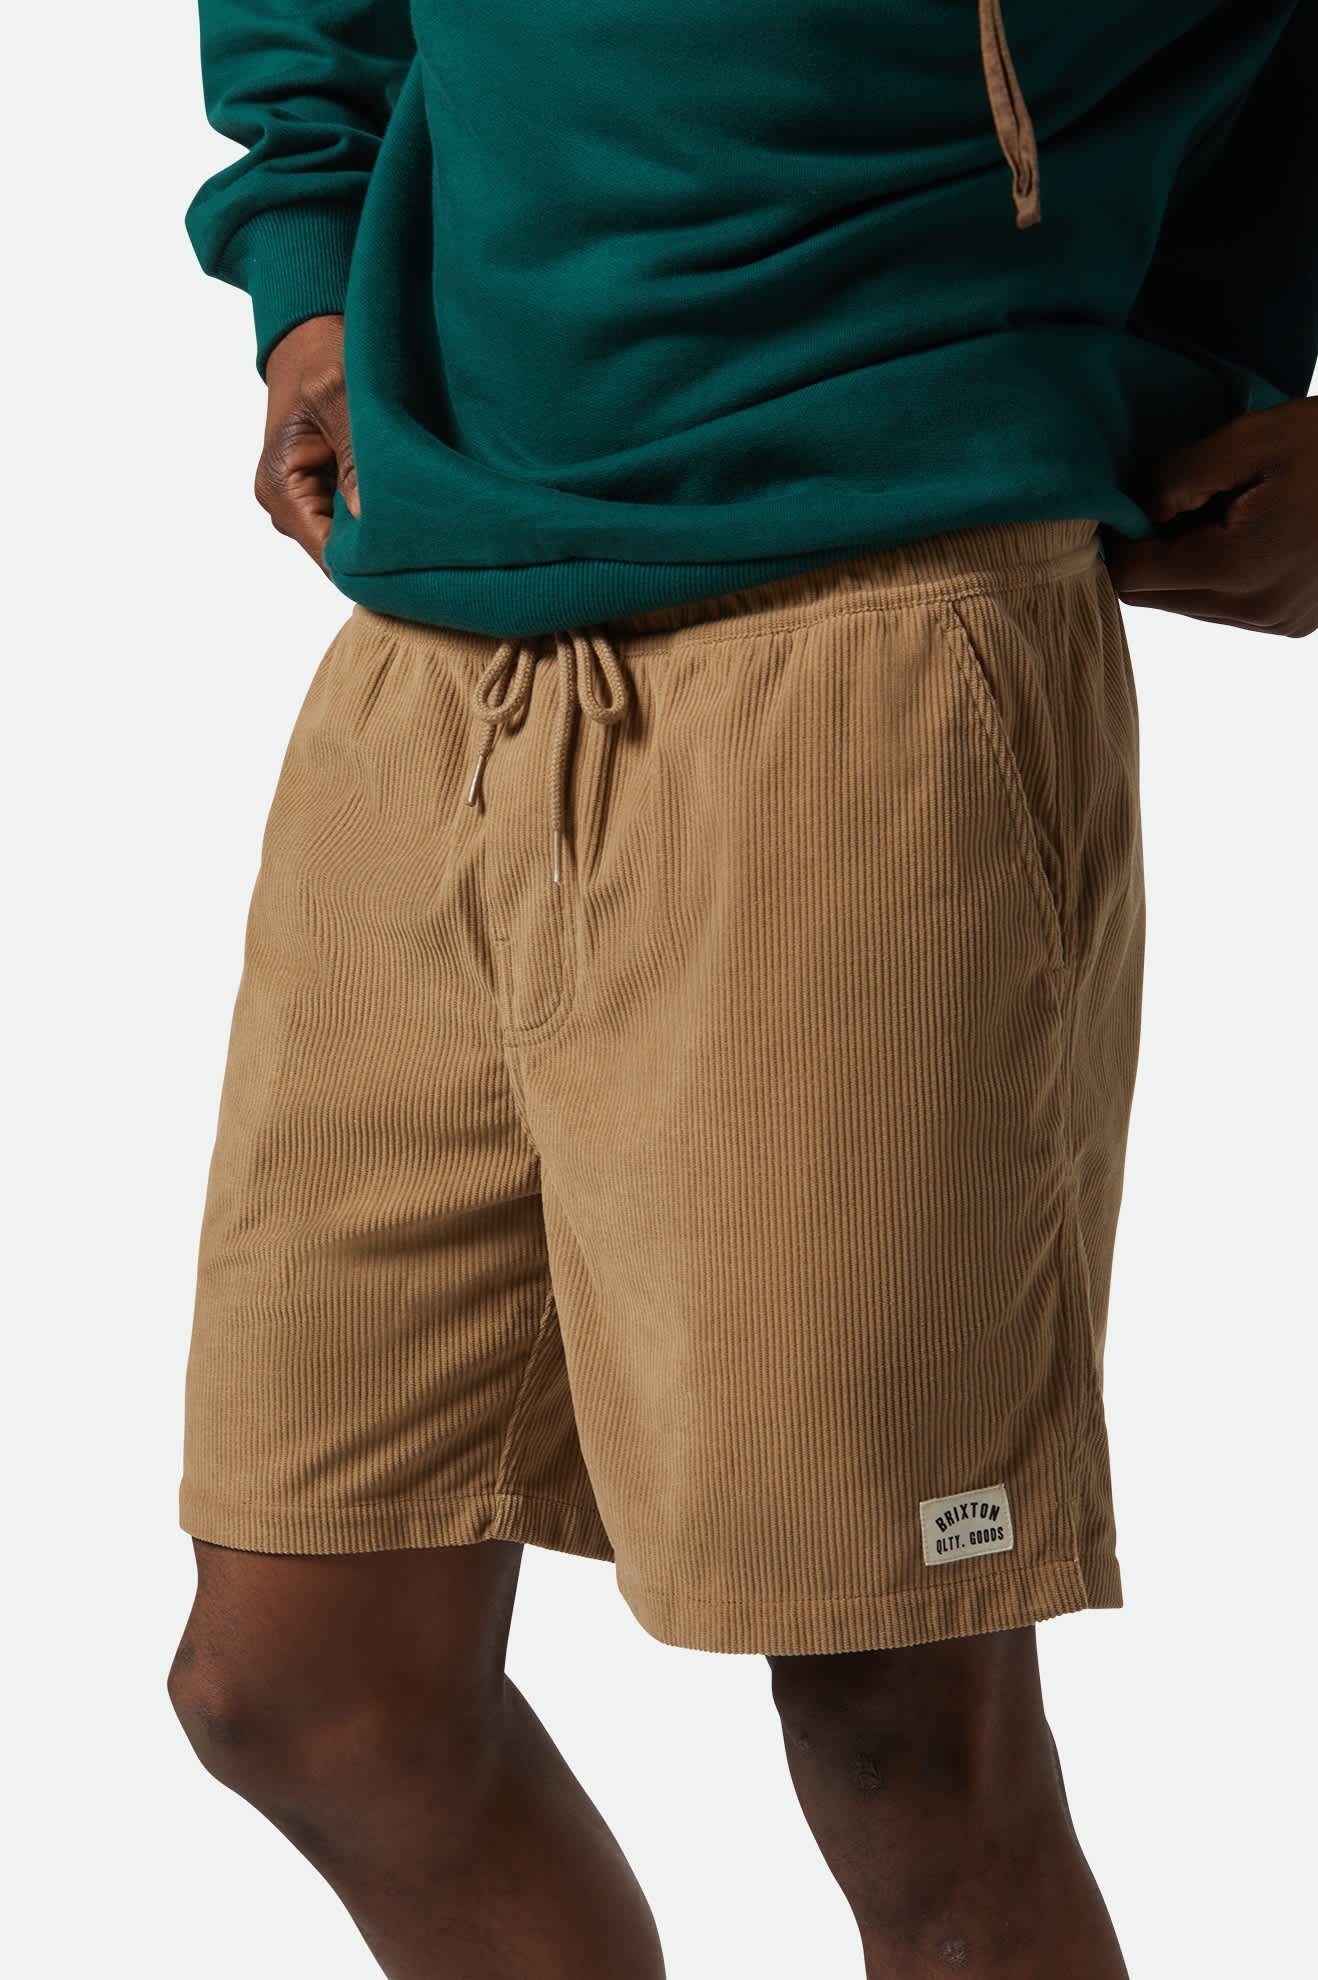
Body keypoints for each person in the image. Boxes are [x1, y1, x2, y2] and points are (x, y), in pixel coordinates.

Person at [166, 2, 1317, 1973]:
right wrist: (312, 282)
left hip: (873, 629)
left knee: (900, 1734)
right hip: (439, 638)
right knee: (301, 1684)